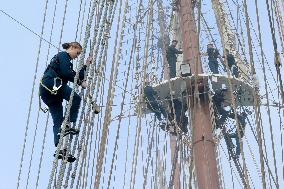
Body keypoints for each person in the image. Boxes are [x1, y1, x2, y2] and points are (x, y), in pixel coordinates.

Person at [39, 42, 92, 162]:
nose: (77, 56)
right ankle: (68, 123)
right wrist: (80, 82)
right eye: (77, 53)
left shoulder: (66, 60)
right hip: (52, 83)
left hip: (49, 93)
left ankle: (60, 149)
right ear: (72, 48)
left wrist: (85, 65)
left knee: (57, 120)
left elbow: (75, 74)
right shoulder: (63, 55)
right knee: (76, 98)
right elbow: (66, 73)